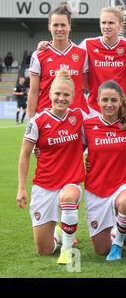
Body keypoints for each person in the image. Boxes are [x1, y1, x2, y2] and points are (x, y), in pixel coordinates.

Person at [17, 69, 85, 265]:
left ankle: (67, 250)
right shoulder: (37, 122)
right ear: (50, 94)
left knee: (68, 197)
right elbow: (25, 154)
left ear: (73, 97)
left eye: (66, 94)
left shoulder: (78, 117)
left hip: (70, 183)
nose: (61, 98)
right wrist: (22, 188)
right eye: (57, 94)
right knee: (44, 251)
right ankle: (58, 235)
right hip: (44, 186)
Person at [82, 80, 126, 261]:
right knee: (100, 250)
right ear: (97, 101)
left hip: (123, 184)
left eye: (114, 100)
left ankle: (118, 242)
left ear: (121, 100)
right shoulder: (87, 126)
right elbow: (70, 150)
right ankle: (120, 229)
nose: (109, 104)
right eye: (105, 100)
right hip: (96, 188)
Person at [28, 4, 89, 119]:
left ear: (69, 26)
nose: (59, 29)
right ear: (49, 27)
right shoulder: (39, 55)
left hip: (76, 117)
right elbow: (33, 92)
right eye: (55, 25)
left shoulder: (82, 53)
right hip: (47, 116)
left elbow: (88, 86)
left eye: (63, 25)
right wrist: (31, 121)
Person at [78, 6, 126, 115]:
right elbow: (80, 74)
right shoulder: (87, 44)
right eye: (103, 23)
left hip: (123, 108)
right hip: (95, 109)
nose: (106, 27)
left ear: (120, 25)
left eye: (111, 23)